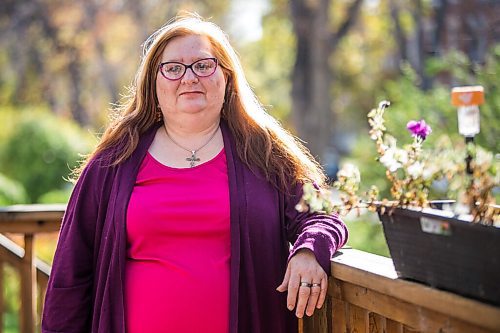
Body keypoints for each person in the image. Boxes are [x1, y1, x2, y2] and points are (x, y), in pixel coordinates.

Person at [41, 13, 348, 333]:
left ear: (226, 78)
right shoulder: (115, 160)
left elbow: (323, 213)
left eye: (203, 65)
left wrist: (310, 250)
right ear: (153, 85)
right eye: (173, 68)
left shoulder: (265, 153)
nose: (189, 78)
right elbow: (71, 272)